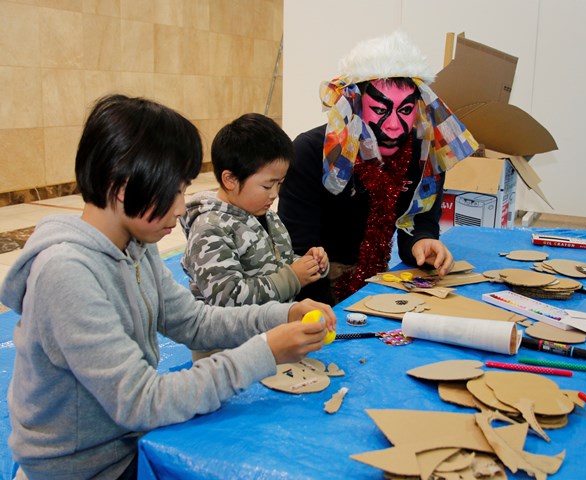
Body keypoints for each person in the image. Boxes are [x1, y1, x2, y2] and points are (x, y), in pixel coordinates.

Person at [0, 94, 335, 480]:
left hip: (129, 441)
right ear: (124, 187)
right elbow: (141, 400)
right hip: (84, 468)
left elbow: (193, 321)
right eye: (174, 190)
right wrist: (265, 351)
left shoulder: (136, 247)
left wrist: (283, 313)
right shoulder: (66, 273)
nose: (181, 208)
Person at [278, 31, 479, 303]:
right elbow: (298, 251)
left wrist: (424, 242)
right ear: (355, 106)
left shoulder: (424, 155)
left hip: (377, 284)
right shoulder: (312, 152)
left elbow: (419, 223)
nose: (394, 125)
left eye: (405, 110)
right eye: (381, 110)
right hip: (314, 289)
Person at [181, 113, 329, 308]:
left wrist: (309, 264)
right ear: (230, 180)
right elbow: (227, 298)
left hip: (273, 328)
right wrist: (292, 278)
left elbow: (276, 263)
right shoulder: (209, 230)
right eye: (267, 186)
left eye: (280, 183)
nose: (274, 194)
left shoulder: (267, 216)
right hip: (237, 337)